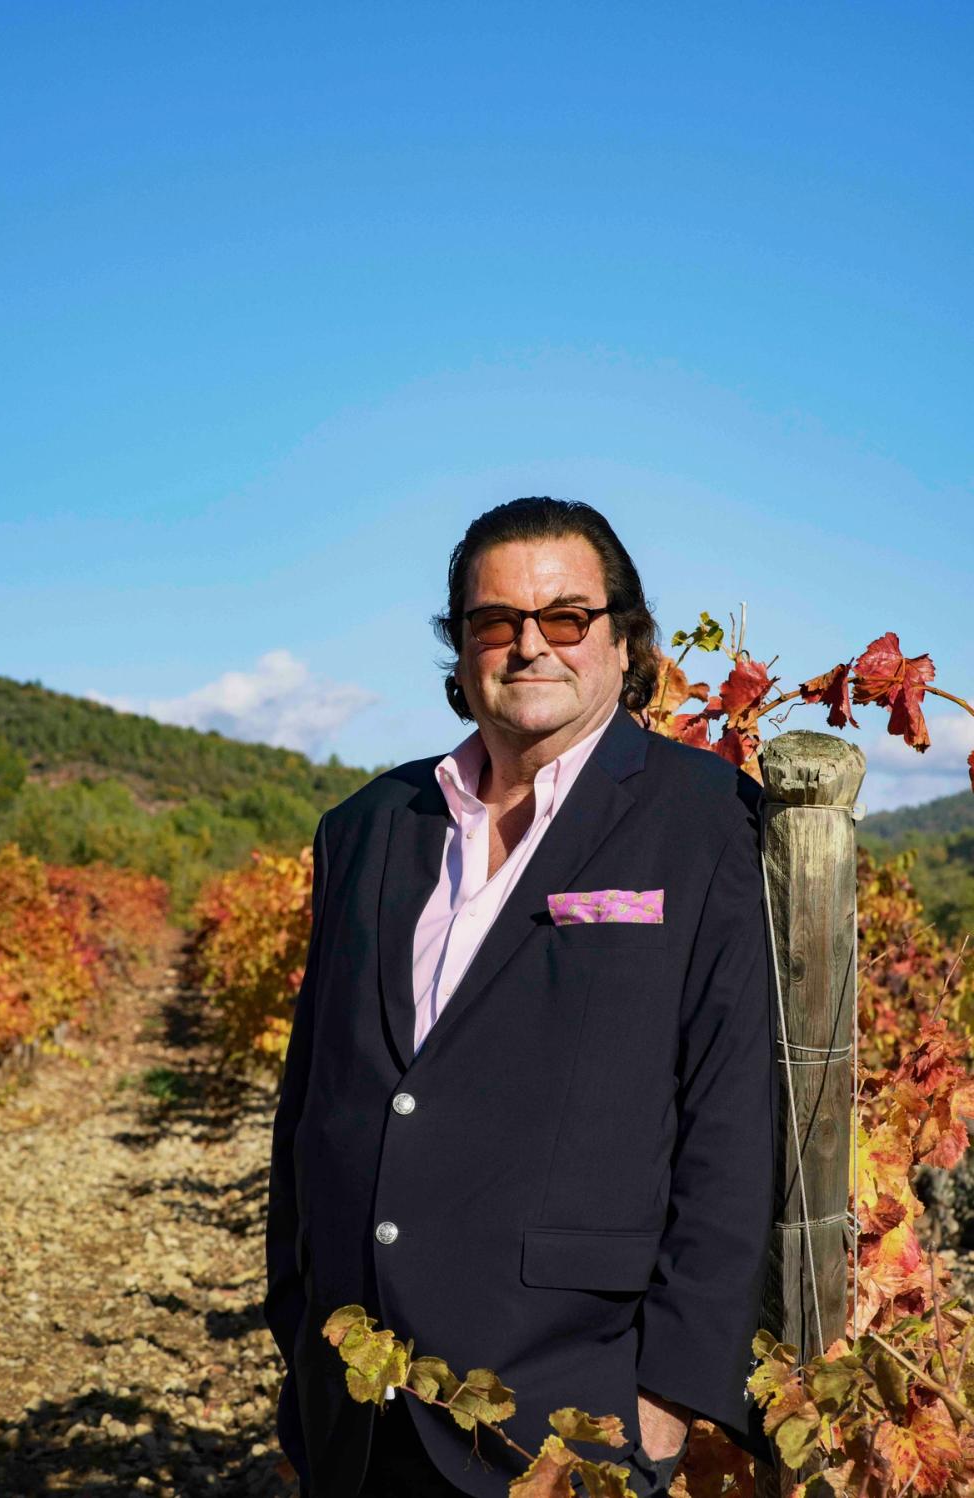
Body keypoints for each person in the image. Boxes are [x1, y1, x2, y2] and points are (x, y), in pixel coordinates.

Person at [265, 496, 779, 1497]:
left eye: (566, 617)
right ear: (461, 650)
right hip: (357, 1404)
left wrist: (667, 1401)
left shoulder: (707, 820)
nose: (530, 644)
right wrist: (296, 1314)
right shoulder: (366, 826)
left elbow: (730, 1120)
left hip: (565, 1407)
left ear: (624, 642)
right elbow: (313, 1092)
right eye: (496, 620)